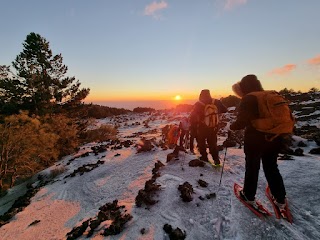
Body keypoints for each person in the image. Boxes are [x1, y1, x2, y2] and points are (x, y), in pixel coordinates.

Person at [230, 74, 287, 210]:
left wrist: (231, 127)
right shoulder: (269, 95)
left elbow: (241, 122)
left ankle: (248, 196)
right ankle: (280, 198)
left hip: (255, 139)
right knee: (271, 167)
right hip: (275, 137)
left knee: (252, 167)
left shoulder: (249, 98)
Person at [191, 89, 227, 165]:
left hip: (202, 127)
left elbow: (193, 117)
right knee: (213, 144)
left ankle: (204, 158)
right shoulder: (216, 102)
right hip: (213, 127)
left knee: (201, 143)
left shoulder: (198, 104)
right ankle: (216, 160)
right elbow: (225, 110)